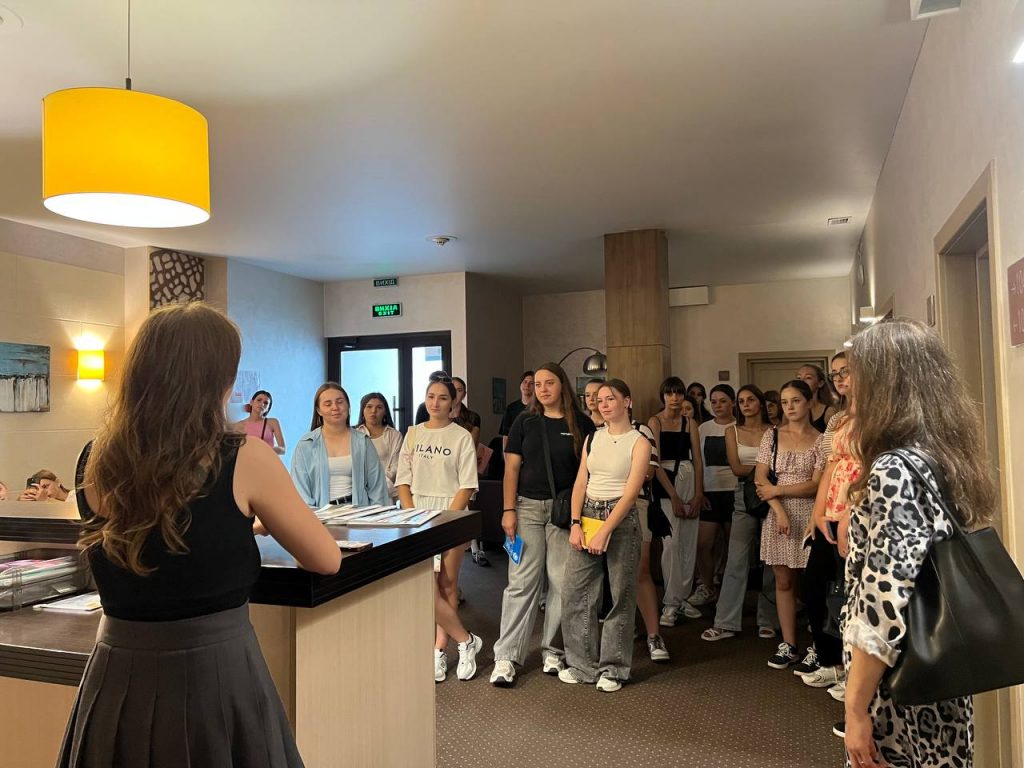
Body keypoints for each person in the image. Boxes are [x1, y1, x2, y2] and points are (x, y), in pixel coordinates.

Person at [60, 302, 341, 767]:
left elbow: (157, 528)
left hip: (117, 675)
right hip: (215, 674)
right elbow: (325, 558)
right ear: (217, 381)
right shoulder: (244, 455)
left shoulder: (96, 458)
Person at [842, 320, 994, 768]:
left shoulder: (894, 469)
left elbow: (884, 595)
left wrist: (855, 706)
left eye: (856, 375)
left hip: (899, 682)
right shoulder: (943, 455)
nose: (849, 389)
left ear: (884, 385)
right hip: (941, 669)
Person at [489, 363, 595, 687]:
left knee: (562, 582)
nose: (543, 389)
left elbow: (587, 474)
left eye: (549, 383)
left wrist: (579, 517)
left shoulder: (582, 423)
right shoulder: (524, 422)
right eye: (537, 384)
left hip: (565, 513)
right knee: (521, 582)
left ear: (562, 385)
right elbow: (511, 470)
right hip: (527, 509)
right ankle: (506, 656)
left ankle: (554, 650)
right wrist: (508, 510)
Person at [559, 379, 650, 692]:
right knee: (574, 592)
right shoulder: (593, 437)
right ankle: (582, 665)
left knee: (620, 596)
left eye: (611, 398)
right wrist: (575, 523)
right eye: (599, 400)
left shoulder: (639, 442)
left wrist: (605, 530)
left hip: (620, 519)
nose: (604, 404)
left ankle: (613, 669)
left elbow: (631, 493)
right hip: (587, 514)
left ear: (627, 402)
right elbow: (580, 482)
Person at [396, 376, 483, 683]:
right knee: (424, 586)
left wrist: (446, 521)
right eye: (431, 396)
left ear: (453, 403)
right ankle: (466, 640)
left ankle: (439, 649)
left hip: (451, 515)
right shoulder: (413, 433)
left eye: (442, 397)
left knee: (447, 584)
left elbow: (467, 484)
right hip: (417, 514)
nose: (435, 403)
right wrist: (413, 516)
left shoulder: (461, 436)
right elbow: (403, 479)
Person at [755, 379, 825, 669]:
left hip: (810, 513)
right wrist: (779, 509)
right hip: (778, 513)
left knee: (813, 584)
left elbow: (816, 484)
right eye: (785, 402)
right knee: (783, 581)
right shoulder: (771, 435)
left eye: (796, 400)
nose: (790, 407)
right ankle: (789, 644)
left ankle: (819, 645)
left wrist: (779, 490)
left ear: (808, 402)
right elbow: (760, 479)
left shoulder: (821, 439)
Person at [798, 352, 856, 701]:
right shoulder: (838, 418)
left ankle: (854, 671)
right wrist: (816, 514)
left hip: (857, 513)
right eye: (835, 374)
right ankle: (831, 659)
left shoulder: (878, 415)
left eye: (846, 371)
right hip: (830, 512)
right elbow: (830, 467)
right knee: (815, 587)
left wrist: (852, 510)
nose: (840, 378)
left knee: (851, 595)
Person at [701, 385, 777, 641]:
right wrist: (763, 470)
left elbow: (779, 466)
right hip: (744, 493)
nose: (745, 405)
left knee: (771, 559)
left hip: (772, 495)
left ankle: (768, 619)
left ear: (760, 403)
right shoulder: (732, 431)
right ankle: (726, 621)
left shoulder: (774, 431)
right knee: (736, 558)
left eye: (750, 400)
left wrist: (759, 471)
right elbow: (736, 467)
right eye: (742, 401)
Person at [648, 376, 704, 627]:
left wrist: (699, 493)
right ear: (663, 396)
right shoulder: (655, 421)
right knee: (671, 543)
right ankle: (670, 601)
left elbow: (698, 460)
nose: (674, 398)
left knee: (688, 543)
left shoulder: (689, 422)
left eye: (679, 393)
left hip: (688, 476)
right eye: (670, 393)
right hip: (666, 481)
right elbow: (655, 461)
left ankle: (681, 597)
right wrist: (673, 495)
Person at [290, 384, 390, 509]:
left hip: (358, 514)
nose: (335, 407)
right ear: (318, 410)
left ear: (348, 405)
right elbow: (300, 492)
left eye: (340, 402)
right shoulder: (306, 444)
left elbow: (377, 488)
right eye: (328, 404)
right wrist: (314, 518)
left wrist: (376, 516)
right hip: (319, 516)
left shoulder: (363, 442)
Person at [693, 384, 737, 606]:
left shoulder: (740, 427)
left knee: (733, 545)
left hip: (734, 491)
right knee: (703, 544)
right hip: (710, 491)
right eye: (714, 401)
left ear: (732, 403)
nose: (718, 405)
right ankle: (708, 587)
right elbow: (698, 462)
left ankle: (730, 591)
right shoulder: (703, 428)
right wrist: (699, 491)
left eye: (723, 401)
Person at [451, 376, 487, 566]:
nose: (455, 394)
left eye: (459, 390)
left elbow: (470, 444)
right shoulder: (439, 416)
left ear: (464, 393)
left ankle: (475, 547)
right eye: (452, 389)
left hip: (465, 466)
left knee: (467, 506)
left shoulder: (472, 417)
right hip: (445, 469)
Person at [354, 392, 403, 502]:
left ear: (385, 412)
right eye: (369, 407)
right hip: (359, 492)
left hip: (386, 490)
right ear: (363, 410)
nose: (373, 411)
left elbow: (397, 466)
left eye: (379, 407)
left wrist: (379, 483)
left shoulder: (394, 435)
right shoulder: (354, 435)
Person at [234, 390, 286, 455]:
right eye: (259, 400)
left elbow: (283, 449)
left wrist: (265, 451)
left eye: (266, 403)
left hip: (266, 460)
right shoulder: (238, 425)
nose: (262, 404)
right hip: (246, 460)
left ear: (268, 409)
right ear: (251, 402)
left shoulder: (272, 422)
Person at [499, 371, 535, 450]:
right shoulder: (511, 408)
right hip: (515, 450)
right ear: (520, 385)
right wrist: (505, 455)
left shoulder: (540, 408)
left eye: (531, 383)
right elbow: (506, 436)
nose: (527, 385)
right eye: (525, 382)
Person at [797, 364, 836, 433]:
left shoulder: (829, 412)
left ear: (820, 383)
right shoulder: (791, 410)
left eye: (808, 378)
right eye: (799, 378)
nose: (801, 381)